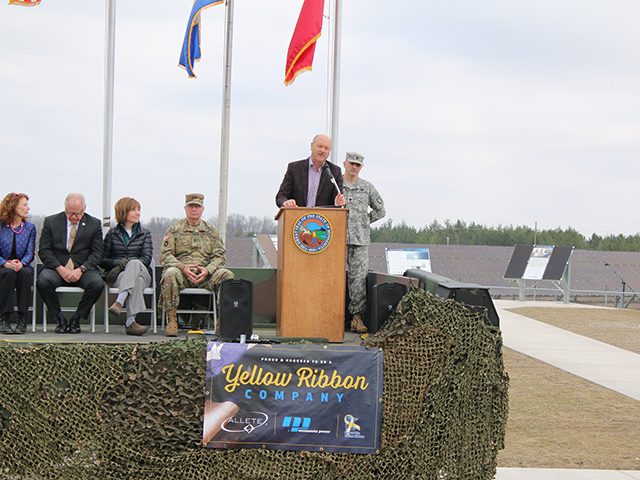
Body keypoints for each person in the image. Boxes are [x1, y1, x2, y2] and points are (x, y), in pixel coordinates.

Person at [160, 193, 234, 337]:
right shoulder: (174, 229)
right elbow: (165, 255)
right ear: (185, 208)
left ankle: (222, 322)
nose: (194, 209)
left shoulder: (211, 231)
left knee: (227, 275)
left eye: (197, 206)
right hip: (182, 274)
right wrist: (183, 268)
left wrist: (208, 270)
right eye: (191, 206)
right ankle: (172, 320)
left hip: (205, 275)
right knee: (170, 273)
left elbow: (220, 255)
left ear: (202, 209)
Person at [37, 193, 104, 334]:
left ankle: (77, 318)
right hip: (57, 268)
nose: (74, 217)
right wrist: (60, 269)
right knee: (43, 281)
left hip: (83, 269)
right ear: (65, 208)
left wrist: (81, 269)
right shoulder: (51, 222)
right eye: (70, 213)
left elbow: (97, 253)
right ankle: (59, 318)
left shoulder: (94, 224)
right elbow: (44, 250)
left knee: (97, 284)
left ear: (84, 209)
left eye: (77, 214)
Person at [342, 152, 385, 333]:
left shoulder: (367, 188)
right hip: (337, 241)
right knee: (333, 278)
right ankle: (332, 316)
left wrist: (364, 221)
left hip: (360, 240)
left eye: (358, 165)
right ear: (345, 164)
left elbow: (380, 210)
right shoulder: (335, 184)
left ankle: (357, 318)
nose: (354, 167)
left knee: (358, 280)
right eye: (351, 163)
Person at [102, 197, 153, 336]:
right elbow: (102, 259)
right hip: (120, 275)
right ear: (123, 212)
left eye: (139, 210)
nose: (138, 213)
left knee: (135, 264)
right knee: (137, 282)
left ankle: (119, 302)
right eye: (134, 210)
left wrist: (129, 261)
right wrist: (117, 262)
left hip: (143, 271)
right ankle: (131, 323)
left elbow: (147, 258)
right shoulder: (112, 234)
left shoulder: (145, 233)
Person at [275, 133, 346, 208]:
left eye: (326, 148)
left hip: (322, 218)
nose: (322, 150)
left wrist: (337, 203)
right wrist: (286, 202)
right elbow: (281, 196)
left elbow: (338, 200)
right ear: (311, 146)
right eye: (320, 146)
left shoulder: (334, 172)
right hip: (297, 218)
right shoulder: (294, 168)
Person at [0, 192, 36, 334]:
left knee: (25, 274)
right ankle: (5, 318)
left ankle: (22, 318)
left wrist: (21, 263)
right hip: (2, 265)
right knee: (8, 274)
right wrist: (5, 263)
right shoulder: (1, 226)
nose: (28, 208)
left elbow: (30, 253)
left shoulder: (30, 228)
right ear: (14, 206)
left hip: (22, 264)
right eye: (25, 205)